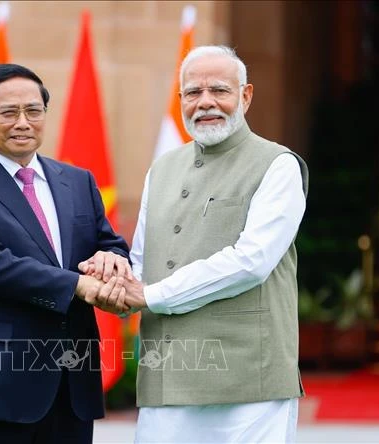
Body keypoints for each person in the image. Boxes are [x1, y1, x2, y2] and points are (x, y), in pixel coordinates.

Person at [82, 45, 309, 442]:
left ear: (246, 95)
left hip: (248, 383)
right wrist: (111, 281)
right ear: (181, 99)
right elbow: (142, 262)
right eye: (192, 92)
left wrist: (149, 296)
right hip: (166, 379)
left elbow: (250, 262)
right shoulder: (162, 169)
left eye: (219, 90)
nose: (205, 102)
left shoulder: (278, 165)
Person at [0, 63, 132, 444]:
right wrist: (79, 285)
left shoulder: (77, 181)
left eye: (33, 111)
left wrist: (112, 259)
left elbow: (109, 242)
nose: (23, 122)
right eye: (8, 112)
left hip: (70, 389)